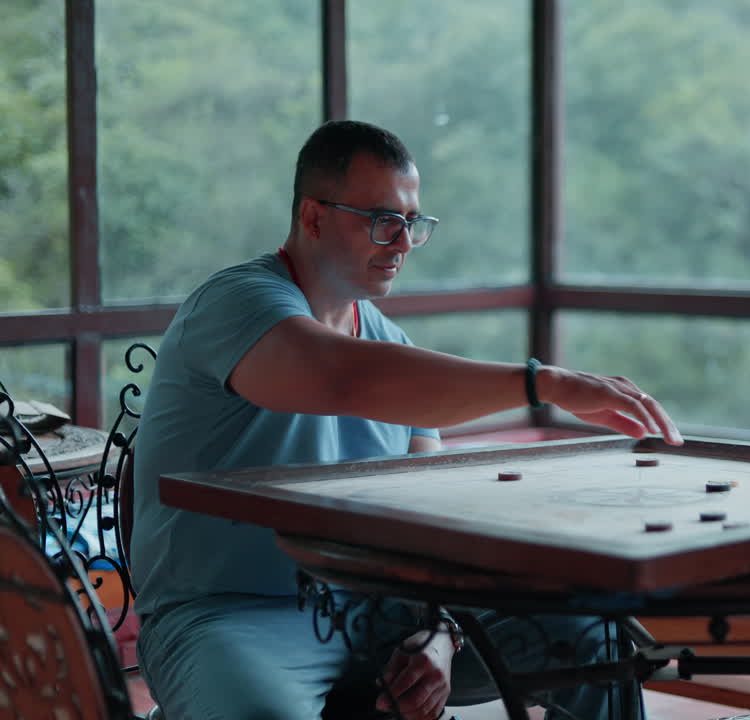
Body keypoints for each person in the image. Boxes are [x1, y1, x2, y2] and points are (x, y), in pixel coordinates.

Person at [129, 119, 683, 720]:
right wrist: (541, 382)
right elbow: (343, 378)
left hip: (381, 617)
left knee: (590, 638)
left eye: (412, 224)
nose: (401, 242)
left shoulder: (391, 342)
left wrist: (440, 635)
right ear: (313, 218)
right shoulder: (237, 304)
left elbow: (429, 532)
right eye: (383, 221)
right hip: (232, 614)